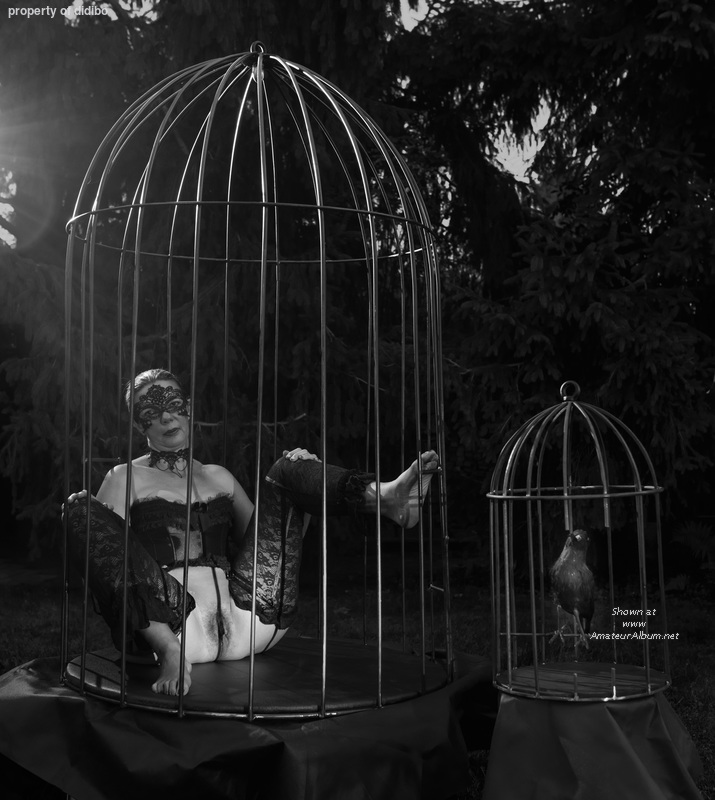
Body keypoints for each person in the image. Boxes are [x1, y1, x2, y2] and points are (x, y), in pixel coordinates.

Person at [65, 368, 440, 696]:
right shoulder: (124, 477)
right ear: (138, 425)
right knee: (81, 510)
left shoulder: (219, 476)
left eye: (173, 404)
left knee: (289, 468)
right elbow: (109, 570)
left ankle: (387, 499)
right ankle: (170, 653)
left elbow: (275, 546)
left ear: (189, 407)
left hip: (255, 620)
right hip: (173, 628)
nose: (165, 416)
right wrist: (89, 516)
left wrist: (304, 492)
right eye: (150, 411)